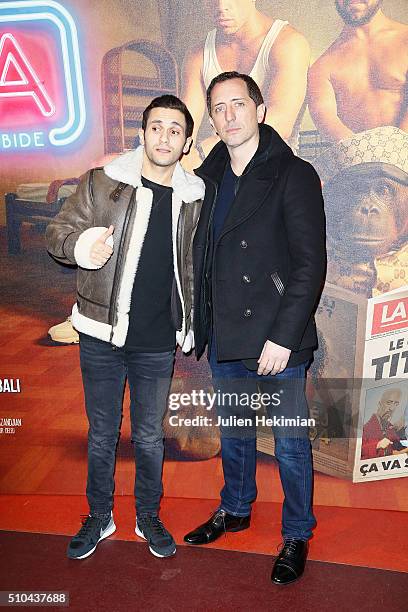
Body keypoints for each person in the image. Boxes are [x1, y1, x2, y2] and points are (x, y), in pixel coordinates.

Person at [46, 95, 205, 559]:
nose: (164, 137)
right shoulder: (103, 183)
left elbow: (197, 266)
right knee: (101, 433)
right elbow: (58, 233)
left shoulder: (195, 197)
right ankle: (100, 515)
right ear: (142, 133)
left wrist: (192, 319)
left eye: (175, 130)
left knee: (151, 436)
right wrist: (81, 246)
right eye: (156, 127)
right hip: (100, 331)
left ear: (186, 142)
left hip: (157, 339)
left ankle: (147, 515)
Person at [183, 71, 326, 585]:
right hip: (226, 332)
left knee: (289, 443)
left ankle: (297, 533)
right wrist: (194, 320)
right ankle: (237, 508)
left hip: (277, 337)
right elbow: (197, 254)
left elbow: (311, 265)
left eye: (238, 104)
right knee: (236, 432)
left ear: (260, 109)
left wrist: (284, 338)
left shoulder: (295, 173)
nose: (228, 115)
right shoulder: (208, 175)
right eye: (217, 107)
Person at [182, 0, 310, 166]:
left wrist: (203, 152)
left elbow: (280, 122)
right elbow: (183, 126)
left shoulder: (288, 43)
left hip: (272, 168)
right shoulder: (197, 55)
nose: (221, 7)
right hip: (220, 170)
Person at [308, 0, 408, 142]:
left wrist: (397, 150)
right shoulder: (321, 68)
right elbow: (326, 120)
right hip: (357, 160)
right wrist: (366, 157)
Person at [361, 388, 407, 459]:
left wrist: (401, 431)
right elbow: (357, 452)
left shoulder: (391, 428)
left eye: (396, 404)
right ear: (379, 404)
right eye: (389, 403)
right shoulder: (364, 428)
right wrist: (377, 445)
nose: (392, 408)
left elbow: (399, 450)